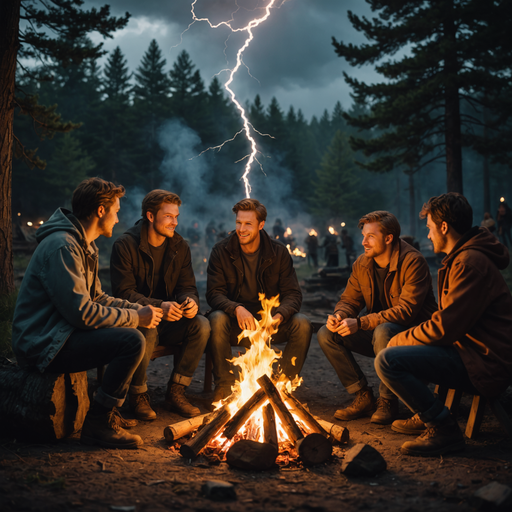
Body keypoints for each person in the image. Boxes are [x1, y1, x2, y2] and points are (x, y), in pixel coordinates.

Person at [11, 178, 163, 449]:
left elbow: (97, 298)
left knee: (133, 330)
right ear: (100, 211)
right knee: (131, 340)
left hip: (61, 333)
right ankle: (98, 423)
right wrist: (136, 318)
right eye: (115, 211)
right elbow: (83, 313)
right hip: (43, 343)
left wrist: (137, 310)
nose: (118, 218)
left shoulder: (82, 244)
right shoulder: (63, 246)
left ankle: (105, 412)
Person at [375, 193, 512, 456]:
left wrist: (401, 339)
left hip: (485, 362)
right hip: (469, 350)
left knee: (388, 360)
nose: (428, 235)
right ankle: (427, 411)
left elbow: (444, 328)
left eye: (429, 228)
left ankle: (443, 428)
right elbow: (448, 322)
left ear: (444, 227)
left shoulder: (469, 263)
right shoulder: (464, 258)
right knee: (399, 348)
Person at [317, 211, 437, 425]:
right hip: (379, 332)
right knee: (327, 333)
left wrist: (361, 323)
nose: (364, 242)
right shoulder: (362, 263)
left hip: (414, 337)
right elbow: (350, 300)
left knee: (384, 330)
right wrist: (340, 315)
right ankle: (362, 395)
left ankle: (388, 400)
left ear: (388, 238)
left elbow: (406, 311)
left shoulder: (413, 262)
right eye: (363, 236)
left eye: (370, 236)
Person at [110, 190, 210, 419]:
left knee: (202, 324)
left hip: (170, 318)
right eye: (168, 217)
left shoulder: (179, 246)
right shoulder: (125, 245)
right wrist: (159, 306)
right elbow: (123, 293)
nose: (174, 222)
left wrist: (190, 301)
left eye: (176, 216)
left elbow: (187, 286)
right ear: (151, 216)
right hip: (135, 321)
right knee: (149, 326)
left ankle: (176, 391)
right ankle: (138, 395)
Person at [206, 199, 313, 404]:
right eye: (238, 223)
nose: (241, 229)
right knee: (216, 318)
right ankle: (225, 386)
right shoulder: (221, 251)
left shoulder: (278, 252)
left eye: (248, 224)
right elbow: (214, 293)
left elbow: (293, 294)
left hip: (269, 323)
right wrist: (236, 308)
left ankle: (282, 386)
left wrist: (278, 316)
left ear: (261, 224)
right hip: (235, 322)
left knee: (302, 323)